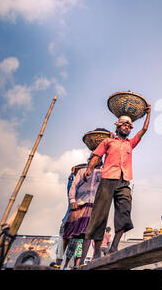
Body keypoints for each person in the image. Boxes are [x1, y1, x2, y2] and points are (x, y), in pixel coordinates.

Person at [80, 105, 151, 263]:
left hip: (124, 180)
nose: (126, 127)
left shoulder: (130, 144)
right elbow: (97, 156)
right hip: (107, 179)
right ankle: (96, 250)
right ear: (118, 126)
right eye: (123, 125)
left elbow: (144, 130)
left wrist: (148, 113)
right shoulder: (108, 141)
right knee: (99, 214)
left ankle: (114, 246)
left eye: (129, 126)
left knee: (125, 210)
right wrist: (89, 169)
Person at [61, 157, 103, 269]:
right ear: (89, 161)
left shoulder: (102, 173)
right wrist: (72, 200)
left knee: (86, 234)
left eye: (98, 160)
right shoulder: (81, 171)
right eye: (93, 159)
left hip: (92, 205)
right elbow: (73, 186)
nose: (95, 161)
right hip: (78, 204)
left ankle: (81, 263)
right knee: (69, 234)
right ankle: (61, 261)